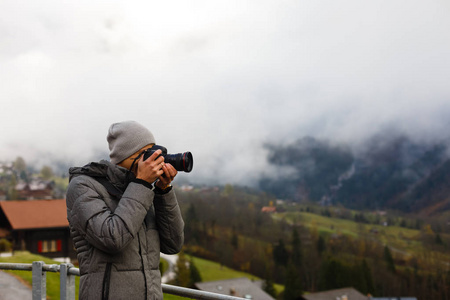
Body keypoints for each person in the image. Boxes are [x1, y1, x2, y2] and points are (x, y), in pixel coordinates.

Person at [66, 121, 184, 300]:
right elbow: (113, 239)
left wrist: (163, 190)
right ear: (128, 155)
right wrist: (142, 183)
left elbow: (173, 244)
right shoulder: (83, 186)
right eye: (148, 153)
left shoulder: (141, 190)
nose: (154, 159)